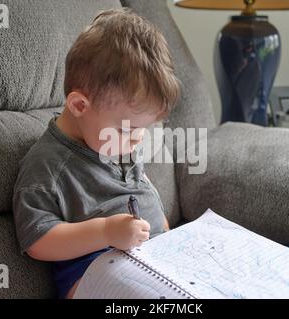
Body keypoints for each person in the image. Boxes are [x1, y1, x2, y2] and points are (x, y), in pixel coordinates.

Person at [12, 8, 180, 299]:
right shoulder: (48, 166)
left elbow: (138, 183)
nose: (137, 139)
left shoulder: (113, 140)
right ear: (79, 106)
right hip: (98, 271)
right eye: (128, 130)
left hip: (156, 257)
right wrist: (104, 232)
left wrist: (159, 218)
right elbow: (36, 238)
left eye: (143, 128)